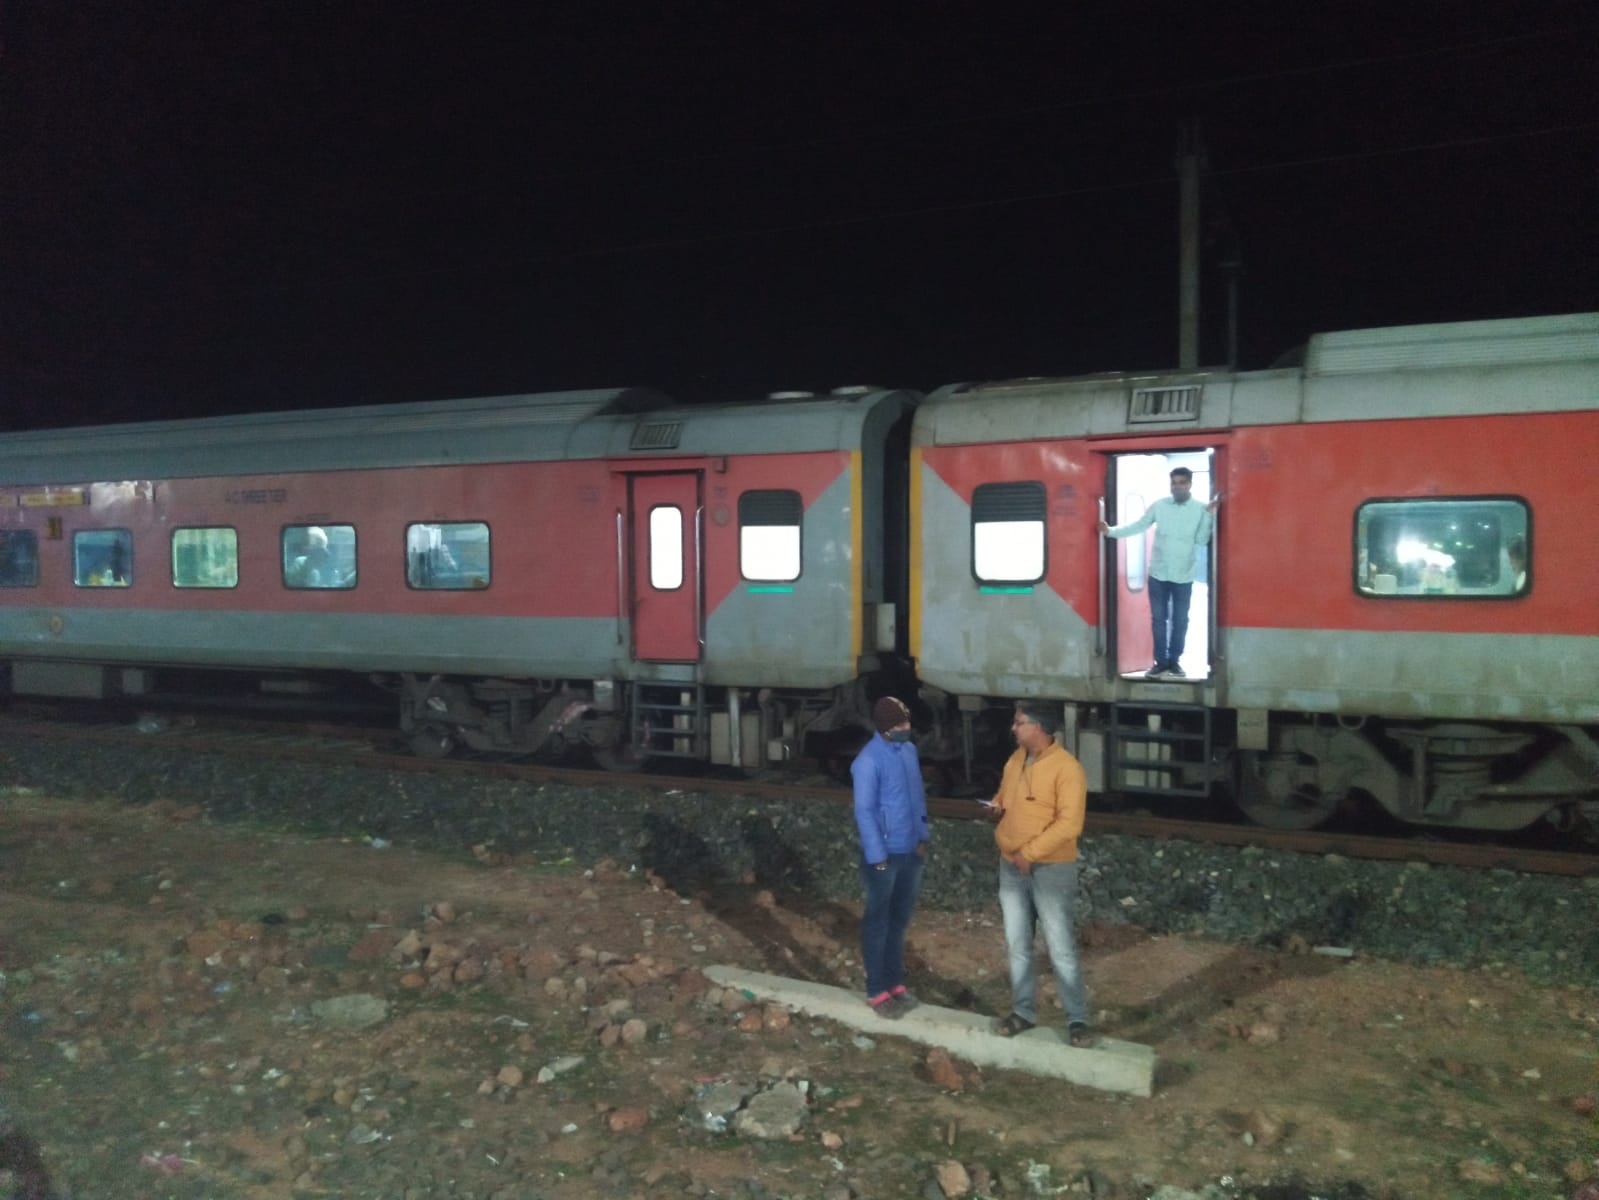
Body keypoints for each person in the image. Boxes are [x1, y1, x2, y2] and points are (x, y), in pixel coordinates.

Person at [989, 700, 1094, 1047]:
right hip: (1012, 865)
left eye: (1020, 723)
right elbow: (1006, 794)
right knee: (1018, 945)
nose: (1014, 729)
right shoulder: (1016, 760)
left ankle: (1077, 1020)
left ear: (1040, 728)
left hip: (1050, 869)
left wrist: (1029, 854)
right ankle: (1023, 1013)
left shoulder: (1067, 769)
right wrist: (997, 804)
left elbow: (1070, 824)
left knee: (1060, 947)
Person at [850, 695, 930, 1020]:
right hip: (884, 855)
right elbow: (864, 811)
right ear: (885, 727)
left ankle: (895, 984)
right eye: (900, 724)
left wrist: (924, 836)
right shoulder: (868, 761)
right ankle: (876, 990)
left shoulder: (908, 752)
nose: (907, 728)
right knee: (878, 922)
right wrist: (876, 855)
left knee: (897, 922)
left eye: (907, 722)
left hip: (910, 850)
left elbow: (918, 797)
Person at [1099, 466, 1220, 679]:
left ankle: (1175, 662)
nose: (1178, 487)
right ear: (1171, 485)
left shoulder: (1201, 509)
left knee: (1181, 620)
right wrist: (1110, 532)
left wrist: (1210, 516)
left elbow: (1201, 540)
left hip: (1184, 575)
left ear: (1190, 484)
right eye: (1174, 483)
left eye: (1182, 483)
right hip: (1158, 574)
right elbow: (1139, 526)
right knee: (1158, 619)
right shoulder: (1159, 506)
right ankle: (1161, 662)